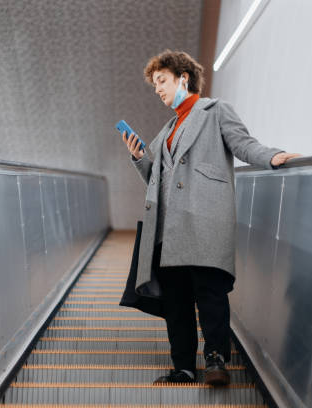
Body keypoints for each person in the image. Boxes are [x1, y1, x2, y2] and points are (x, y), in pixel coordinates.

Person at [121, 49, 300, 386]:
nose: (157, 89)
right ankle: (184, 367)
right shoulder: (167, 130)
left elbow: (244, 144)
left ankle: (216, 360)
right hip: (168, 230)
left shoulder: (215, 111)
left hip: (203, 219)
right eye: (154, 84)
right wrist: (140, 157)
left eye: (162, 81)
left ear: (182, 78)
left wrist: (273, 156)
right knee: (176, 302)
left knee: (209, 293)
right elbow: (157, 181)